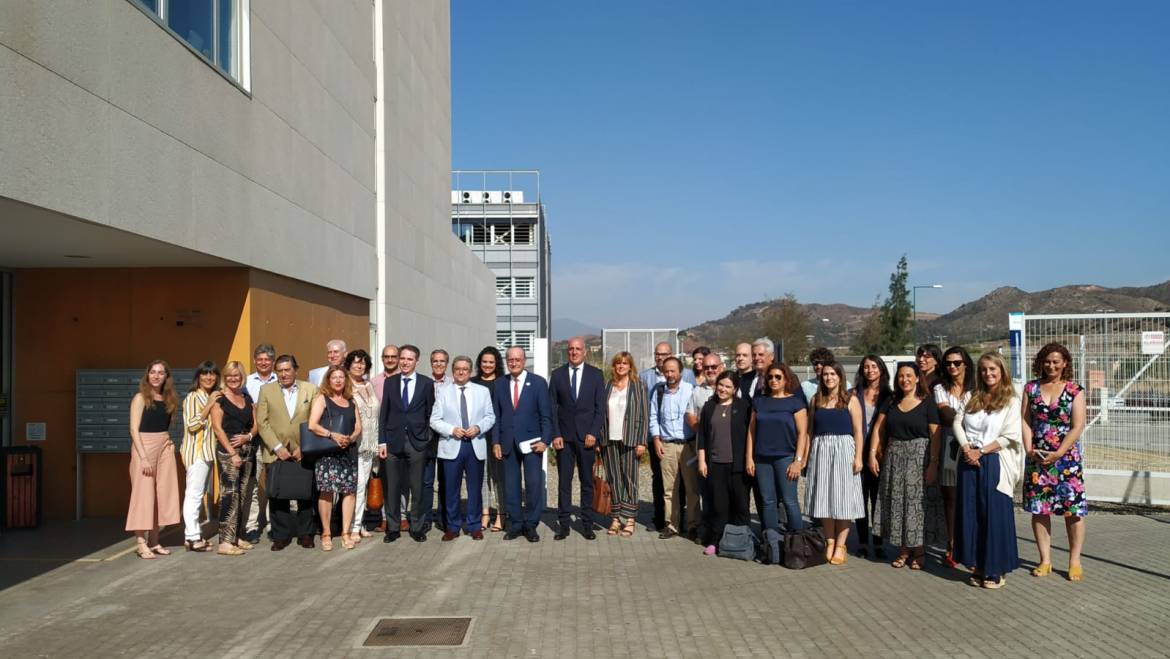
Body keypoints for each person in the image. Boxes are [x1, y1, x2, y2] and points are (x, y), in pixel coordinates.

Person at [953, 353, 1025, 589]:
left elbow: (1010, 436)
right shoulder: (972, 397)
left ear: (1001, 371)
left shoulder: (1011, 400)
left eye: (993, 369)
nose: (988, 374)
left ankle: (996, 569)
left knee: (993, 516)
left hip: (993, 461)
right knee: (971, 514)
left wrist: (981, 452)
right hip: (968, 460)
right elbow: (957, 422)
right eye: (984, 370)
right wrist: (966, 448)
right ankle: (978, 565)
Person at [1022, 342, 1087, 582]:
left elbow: (1078, 425)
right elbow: (1025, 420)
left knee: (1073, 511)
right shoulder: (1030, 388)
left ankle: (1074, 561)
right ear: (1041, 362)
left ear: (1065, 363)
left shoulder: (1075, 390)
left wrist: (1059, 453)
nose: (1051, 365)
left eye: (1056, 361)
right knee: (1040, 510)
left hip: (1066, 460)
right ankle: (1045, 560)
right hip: (1037, 459)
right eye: (1047, 361)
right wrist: (1029, 448)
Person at [869, 362, 942, 570]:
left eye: (909, 375)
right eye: (901, 376)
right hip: (894, 458)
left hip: (919, 458)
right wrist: (873, 455)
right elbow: (878, 428)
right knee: (897, 503)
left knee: (916, 506)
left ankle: (919, 550)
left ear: (918, 378)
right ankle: (903, 549)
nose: (905, 380)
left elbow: (935, 436)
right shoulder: (891, 401)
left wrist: (933, 464)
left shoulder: (927, 402)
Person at [256, 355, 319, 550]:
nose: (283, 374)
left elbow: (315, 419)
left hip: (303, 451)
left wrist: (306, 446)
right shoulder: (266, 390)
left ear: (295, 370)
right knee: (277, 496)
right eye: (280, 371)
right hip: (277, 452)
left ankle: (306, 534)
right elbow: (262, 422)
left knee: (306, 495)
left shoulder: (310, 389)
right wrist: (277, 447)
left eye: (287, 370)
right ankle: (281, 536)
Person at [805, 362, 866, 565]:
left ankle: (841, 544)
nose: (829, 377)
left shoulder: (851, 399)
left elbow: (858, 431)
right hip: (821, 451)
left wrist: (858, 457)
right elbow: (810, 432)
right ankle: (830, 541)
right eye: (825, 374)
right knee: (825, 498)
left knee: (843, 499)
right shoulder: (816, 400)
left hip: (843, 450)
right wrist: (806, 457)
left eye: (833, 374)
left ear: (840, 376)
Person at [430, 356, 495, 540]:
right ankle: (453, 526)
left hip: (475, 445)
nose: (461, 372)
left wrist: (479, 427)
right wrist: (452, 430)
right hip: (452, 446)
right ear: (453, 370)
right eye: (457, 369)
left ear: (470, 371)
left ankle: (474, 526)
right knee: (451, 490)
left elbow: (490, 416)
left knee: (475, 489)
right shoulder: (443, 392)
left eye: (465, 369)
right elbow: (434, 420)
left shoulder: (482, 391)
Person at [492, 346, 554, 542]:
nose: (514, 362)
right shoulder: (499, 384)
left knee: (534, 485)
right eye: (510, 359)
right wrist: (495, 442)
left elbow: (546, 415)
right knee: (511, 486)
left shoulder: (538, 383)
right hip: (507, 442)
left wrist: (545, 440)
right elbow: (496, 415)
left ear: (524, 360)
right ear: (506, 361)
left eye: (517, 359)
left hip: (533, 443)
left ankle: (531, 525)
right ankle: (516, 524)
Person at [549, 337, 606, 540]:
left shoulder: (596, 375)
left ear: (585, 352)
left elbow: (600, 409)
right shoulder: (557, 375)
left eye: (578, 349)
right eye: (571, 349)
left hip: (587, 438)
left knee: (587, 483)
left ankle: (587, 524)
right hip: (564, 438)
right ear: (567, 352)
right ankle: (563, 525)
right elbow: (552, 408)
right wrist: (555, 434)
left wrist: (593, 432)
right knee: (564, 483)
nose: (574, 352)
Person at [377, 344, 435, 542]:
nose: (405, 362)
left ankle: (416, 527)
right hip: (393, 442)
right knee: (392, 487)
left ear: (416, 361)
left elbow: (430, 413)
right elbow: (384, 414)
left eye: (409, 359)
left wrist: (426, 438)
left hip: (417, 442)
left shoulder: (426, 383)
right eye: (402, 358)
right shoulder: (390, 382)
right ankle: (392, 527)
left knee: (417, 487)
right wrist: (382, 441)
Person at [745, 363, 808, 539]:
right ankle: (772, 542)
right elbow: (751, 431)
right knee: (767, 501)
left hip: (786, 458)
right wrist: (749, 458)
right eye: (770, 377)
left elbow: (803, 433)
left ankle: (797, 542)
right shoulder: (759, 401)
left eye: (778, 377)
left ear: (786, 379)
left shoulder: (796, 402)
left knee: (790, 501)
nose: (773, 380)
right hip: (762, 459)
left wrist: (798, 460)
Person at [126, 360, 181, 559]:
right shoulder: (140, 398)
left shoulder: (169, 399)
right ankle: (141, 542)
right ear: (147, 375)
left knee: (161, 495)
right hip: (144, 448)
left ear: (166, 376)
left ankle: (155, 540)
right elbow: (134, 429)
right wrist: (144, 458)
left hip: (164, 446)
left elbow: (163, 426)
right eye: (153, 372)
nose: (156, 376)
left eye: (161, 373)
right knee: (143, 495)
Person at [697, 371, 751, 555]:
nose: (723, 389)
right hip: (715, 464)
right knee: (719, 506)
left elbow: (751, 435)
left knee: (741, 505)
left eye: (728, 386)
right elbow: (702, 436)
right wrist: (702, 461)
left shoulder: (744, 407)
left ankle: (742, 541)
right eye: (721, 385)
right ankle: (716, 541)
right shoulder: (709, 406)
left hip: (738, 466)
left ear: (735, 389)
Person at [307, 365, 360, 551]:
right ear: (328, 380)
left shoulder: (351, 401)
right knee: (327, 491)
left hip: (348, 452)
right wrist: (333, 435)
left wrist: (350, 438)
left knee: (349, 492)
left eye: (341, 377)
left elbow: (358, 427)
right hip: (328, 452)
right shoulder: (322, 399)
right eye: (334, 377)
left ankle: (345, 532)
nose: (338, 380)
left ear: (346, 380)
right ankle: (326, 533)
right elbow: (312, 425)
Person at [210, 361, 257, 555]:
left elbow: (255, 424)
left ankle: (235, 536)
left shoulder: (246, 397)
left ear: (242, 376)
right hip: (228, 453)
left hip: (247, 450)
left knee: (242, 494)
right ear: (225, 377)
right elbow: (217, 428)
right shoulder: (219, 399)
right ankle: (224, 542)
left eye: (236, 375)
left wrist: (249, 436)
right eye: (229, 375)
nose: (233, 379)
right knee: (229, 494)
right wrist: (232, 453)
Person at [934, 346, 975, 568]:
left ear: (965, 364)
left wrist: (957, 417)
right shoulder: (941, 388)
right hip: (951, 444)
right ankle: (951, 544)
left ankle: (970, 543)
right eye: (948, 363)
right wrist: (968, 417)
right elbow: (945, 414)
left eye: (957, 363)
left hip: (976, 446)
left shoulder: (976, 387)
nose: (952, 367)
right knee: (950, 497)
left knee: (971, 496)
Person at [650, 356, 699, 540]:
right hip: (667, 445)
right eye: (666, 371)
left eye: (673, 371)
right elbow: (653, 416)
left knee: (692, 489)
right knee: (669, 489)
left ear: (681, 372)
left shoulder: (690, 390)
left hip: (688, 445)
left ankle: (694, 525)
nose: (670, 374)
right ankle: (672, 524)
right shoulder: (659, 391)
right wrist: (656, 438)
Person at [600, 351, 648, 538]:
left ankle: (630, 519)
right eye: (618, 363)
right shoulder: (608, 386)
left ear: (630, 366)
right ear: (614, 366)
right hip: (609, 439)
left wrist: (642, 441)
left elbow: (644, 415)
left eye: (625, 363)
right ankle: (615, 517)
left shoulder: (638, 386)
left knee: (630, 479)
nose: (621, 366)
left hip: (630, 439)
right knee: (614, 479)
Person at [640, 341, 684, 531]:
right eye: (658, 354)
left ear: (671, 354)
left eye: (664, 354)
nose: (660, 357)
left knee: (681, 480)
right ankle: (660, 518)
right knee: (659, 478)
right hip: (655, 437)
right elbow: (645, 410)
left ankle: (680, 517)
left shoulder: (685, 375)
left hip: (679, 438)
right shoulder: (645, 377)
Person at [852, 355, 891, 558]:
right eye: (866, 367)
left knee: (877, 500)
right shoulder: (854, 394)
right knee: (860, 499)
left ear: (881, 370)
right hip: (857, 453)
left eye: (874, 366)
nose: (870, 370)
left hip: (880, 455)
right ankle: (862, 541)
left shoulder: (890, 396)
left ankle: (878, 542)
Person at [180, 361, 220, 552]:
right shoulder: (193, 397)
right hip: (197, 453)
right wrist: (210, 404)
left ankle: (192, 535)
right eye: (205, 374)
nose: (209, 377)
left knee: (198, 494)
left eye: (212, 374)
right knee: (194, 495)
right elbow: (192, 424)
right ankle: (193, 536)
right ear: (198, 376)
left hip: (207, 453)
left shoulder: (209, 396)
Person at [243, 344, 277, 542]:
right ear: (255, 360)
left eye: (267, 359)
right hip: (253, 438)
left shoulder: (280, 379)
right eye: (260, 359)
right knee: (252, 483)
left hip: (274, 438)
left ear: (273, 362)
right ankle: (251, 526)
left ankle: (274, 525)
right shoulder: (246, 382)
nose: (263, 362)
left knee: (274, 483)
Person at [347, 349, 380, 541]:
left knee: (364, 485)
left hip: (370, 443)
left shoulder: (369, 384)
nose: (359, 366)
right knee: (355, 486)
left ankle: (359, 524)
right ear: (348, 365)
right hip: (353, 443)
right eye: (355, 363)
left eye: (363, 363)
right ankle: (352, 526)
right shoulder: (345, 385)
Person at [472, 346, 506, 532]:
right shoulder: (472, 383)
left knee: (499, 477)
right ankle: (484, 514)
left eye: (491, 362)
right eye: (484, 361)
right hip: (477, 437)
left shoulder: (503, 382)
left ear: (497, 363)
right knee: (482, 477)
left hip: (498, 437)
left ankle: (501, 514)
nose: (487, 365)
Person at [371, 343, 403, 532]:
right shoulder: (374, 382)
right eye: (386, 357)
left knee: (404, 479)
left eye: (393, 357)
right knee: (385, 478)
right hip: (382, 436)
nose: (390, 360)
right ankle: (385, 516)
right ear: (382, 359)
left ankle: (404, 516)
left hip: (403, 436)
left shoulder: (406, 379)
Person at [428, 348, 451, 531]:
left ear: (447, 364)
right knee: (427, 480)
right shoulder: (424, 383)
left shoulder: (452, 384)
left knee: (445, 480)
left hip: (446, 437)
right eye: (435, 361)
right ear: (431, 363)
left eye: (442, 361)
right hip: (426, 438)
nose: (438, 364)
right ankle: (426, 517)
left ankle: (444, 517)